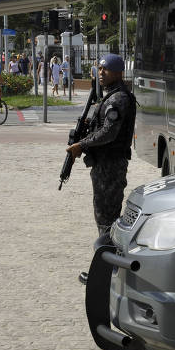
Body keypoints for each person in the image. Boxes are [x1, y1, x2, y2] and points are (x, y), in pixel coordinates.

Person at [66, 54, 136, 282]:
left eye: (106, 69)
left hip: (110, 165)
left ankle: (105, 275)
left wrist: (81, 145)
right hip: (105, 164)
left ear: (118, 73)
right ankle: (108, 271)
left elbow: (109, 133)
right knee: (105, 218)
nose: (101, 73)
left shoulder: (117, 100)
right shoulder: (111, 96)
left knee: (107, 219)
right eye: (100, 69)